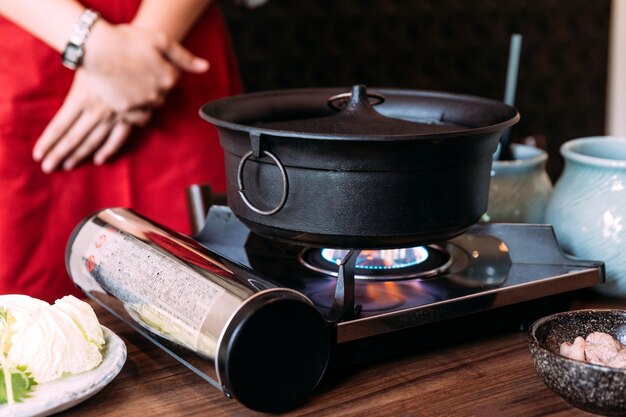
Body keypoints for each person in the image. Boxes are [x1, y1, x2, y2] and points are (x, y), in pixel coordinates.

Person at [0, 0, 243, 302]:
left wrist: (140, 54)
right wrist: (93, 44)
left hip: (173, 51)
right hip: (30, 52)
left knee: (201, 300)